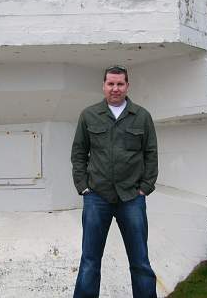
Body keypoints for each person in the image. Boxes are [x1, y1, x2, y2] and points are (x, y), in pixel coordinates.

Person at [71, 65, 158, 298]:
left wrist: (145, 188)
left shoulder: (142, 116)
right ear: (103, 86)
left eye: (120, 84)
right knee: (90, 261)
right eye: (111, 84)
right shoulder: (89, 115)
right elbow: (79, 153)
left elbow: (151, 154)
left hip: (132, 197)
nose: (115, 88)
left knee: (140, 261)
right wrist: (83, 187)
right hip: (97, 197)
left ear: (127, 86)